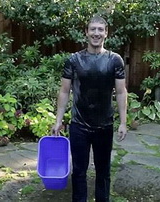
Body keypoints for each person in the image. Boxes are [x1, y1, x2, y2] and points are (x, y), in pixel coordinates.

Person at [52, 15, 127, 202]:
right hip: (79, 125)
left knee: (103, 172)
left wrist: (123, 122)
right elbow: (64, 91)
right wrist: (58, 121)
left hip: (104, 125)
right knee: (78, 172)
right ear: (86, 32)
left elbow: (121, 92)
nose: (96, 33)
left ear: (106, 33)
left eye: (100, 30)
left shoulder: (114, 60)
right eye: (92, 29)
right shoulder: (73, 60)